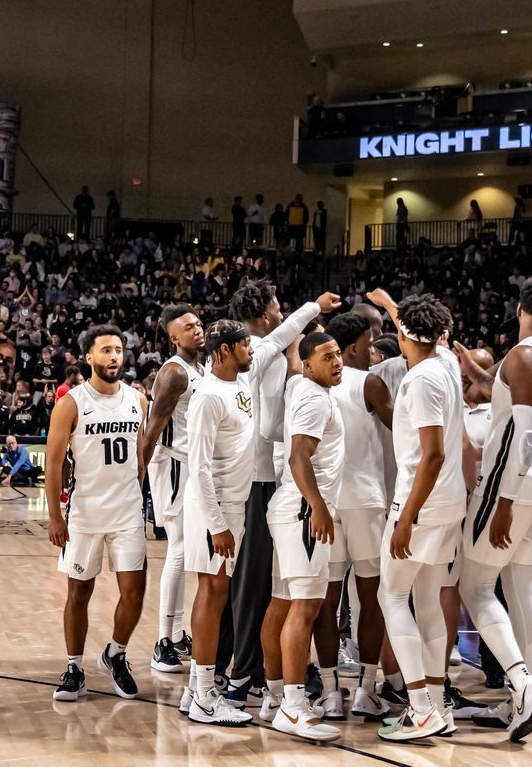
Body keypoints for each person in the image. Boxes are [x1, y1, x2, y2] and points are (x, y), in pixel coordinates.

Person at [457, 275, 532, 742]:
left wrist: (501, 502)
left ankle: (521, 684)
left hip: (514, 492)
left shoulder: (523, 356)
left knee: (475, 585)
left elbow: (521, 435)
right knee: (521, 585)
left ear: (519, 305)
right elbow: (511, 392)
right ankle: (531, 705)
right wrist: (477, 371)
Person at [225, 282, 340, 708]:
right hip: (259, 478)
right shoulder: (257, 347)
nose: (281, 311)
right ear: (265, 311)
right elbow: (273, 428)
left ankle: (253, 677)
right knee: (259, 586)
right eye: (277, 305)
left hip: (257, 478)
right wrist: (314, 307)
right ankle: (245, 676)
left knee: (267, 590)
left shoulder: (270, 358)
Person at [361, 291, 461, 741]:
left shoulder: (420, 380)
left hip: (420, 503)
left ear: (403, 337)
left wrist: (406, 518)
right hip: (449, 504)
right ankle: (439, 706)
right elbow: (420, 327)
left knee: (392, 598)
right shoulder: (447, 363)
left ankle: (419, 707)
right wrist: (391, 305)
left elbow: (433, 454)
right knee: (427, 599)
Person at [46, 325, 149, 702]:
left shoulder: (138, 400)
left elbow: (141, 455)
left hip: (127, 511)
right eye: (105, 351)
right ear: (88, 357)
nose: (114, 357)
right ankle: (74, 667)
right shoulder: (71, 402)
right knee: (79, 593)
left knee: (134, 593)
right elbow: (54, 462)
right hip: (85, 512)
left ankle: (115, 653)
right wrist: (55, 516)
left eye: (118, 350)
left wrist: (138, 495)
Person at [261, 331, 344, 743]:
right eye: (327, 357)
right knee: (306, 608)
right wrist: (319, 506)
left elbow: (293, 363)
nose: (338, 361)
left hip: (289, 508)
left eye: (339, 354)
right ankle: (293, 707)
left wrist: (307, 318)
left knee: (281, 603)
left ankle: (274, 697)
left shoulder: (299, 384)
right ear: (311, 366)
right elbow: (298, 456)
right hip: (303, 511)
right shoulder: (313, 398)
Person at [178, 319, 255, 727]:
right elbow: (199, 467)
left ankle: (195, 691)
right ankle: (208, 696)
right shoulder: (207, 396)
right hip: (216, 507)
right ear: (224, 350)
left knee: (216, 593)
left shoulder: (238, 384)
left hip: (234, 504)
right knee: (211, 593)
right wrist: (217, 524)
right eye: (244, 345)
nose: (251, 350)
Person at [322, 311, 393, 721]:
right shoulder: (368, 382)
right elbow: (403, 429)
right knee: (372, 599)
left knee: (326, 602)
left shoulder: (309, 381)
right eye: (369, 343)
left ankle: (331, 691)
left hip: (326, 503)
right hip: (365, 500)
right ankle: (366, 689)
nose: (372, 351)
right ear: (351, 347)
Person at [138, 304, 205, 674]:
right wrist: (138, 484)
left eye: (198, 324)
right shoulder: (174, 373)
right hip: (174, 465)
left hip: (193, 463)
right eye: (188, 327)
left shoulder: (203, 367)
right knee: (179, 548)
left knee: (189, 550)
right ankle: (162, 639)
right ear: (173, 337)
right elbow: (152, 430)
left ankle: (178, 633)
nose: (197, 330)